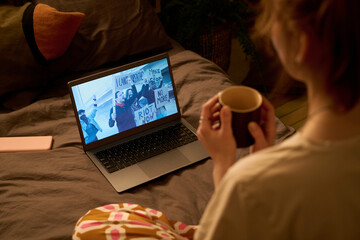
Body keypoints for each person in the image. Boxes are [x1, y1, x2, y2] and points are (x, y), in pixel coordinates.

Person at [73, 0, 360, 238]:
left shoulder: (250, 182)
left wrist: (228, 167)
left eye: (272, 18)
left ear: (302, 45)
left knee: (91, 226)